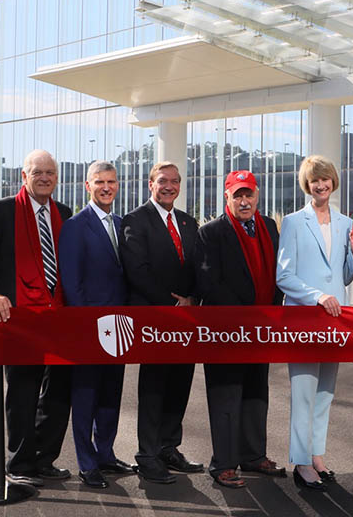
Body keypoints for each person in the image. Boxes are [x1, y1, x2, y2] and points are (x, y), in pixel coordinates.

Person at [0, 149, 73, 486]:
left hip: (58, 318)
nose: (44, 178)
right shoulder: (2, 211)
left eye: (50, 173)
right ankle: (21, 462)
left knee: (59, 392)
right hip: (19, 319)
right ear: (24, 176)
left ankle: (44, 458)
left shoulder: (65, 213)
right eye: (37, 172)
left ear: (57, 178)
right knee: (24, 392)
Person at [277, 155, 353, 492]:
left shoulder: (344, 223)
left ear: (333, 182)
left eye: (325, 179)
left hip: (335, 319)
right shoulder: (295, 222)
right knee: (304, 392)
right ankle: (300, 461)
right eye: (314, 181)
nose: (320, 185)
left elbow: (343, 274)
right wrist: (316, 296)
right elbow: (284, 275)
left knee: (325, 392)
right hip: (305, 317)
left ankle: (317, 454)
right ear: (307, 185)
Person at [197, 170, 285, 489]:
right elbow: (208, 282)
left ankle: (253, 455)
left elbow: (278, 274)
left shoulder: (270, 229)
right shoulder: (211, 232)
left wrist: (271, 313)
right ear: (227, 198)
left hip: (261, 329)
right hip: (226, 331)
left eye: (248, 194)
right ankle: (223, 464)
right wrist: (245, 316)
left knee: (255, 393)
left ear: (257, 195)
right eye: (237, 195)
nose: (244, 201)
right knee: (225, 397)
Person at [120, 161, 204, 484]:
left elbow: (199, 266)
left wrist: (193, 299)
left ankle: (170, 447)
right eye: (162, 181)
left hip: (185, 322)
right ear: (150, 184)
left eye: (175, 181)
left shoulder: (187, 221)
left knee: (180, 385)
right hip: (155, 321)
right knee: (154, 388)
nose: (169, 186)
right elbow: (137, 271)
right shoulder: (135, 221)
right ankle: (148, 455)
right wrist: (174, 303)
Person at [58, 161, 136, 489]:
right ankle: (87, 463)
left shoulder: (122, 223)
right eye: (100, 182)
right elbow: (71, 283)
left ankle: (105, 453)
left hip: (119, 327)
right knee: (86, 395)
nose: (107, 187)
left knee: (111, 394)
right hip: (90, 327)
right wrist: (84, 325)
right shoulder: (76, 226)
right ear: (87, 186)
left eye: (112, 182)